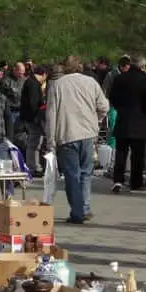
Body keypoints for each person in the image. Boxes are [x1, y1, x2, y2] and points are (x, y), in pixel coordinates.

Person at [45, 56, 109, 224]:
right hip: (88, 134)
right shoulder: (91, 82)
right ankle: (84, 207)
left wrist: (50, 142)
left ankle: (77, 211)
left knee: (72, 175)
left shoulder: (56, 85)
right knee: (86, 173)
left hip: (67, 135)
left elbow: (51, 115)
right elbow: (104, 106)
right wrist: (97, 121)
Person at [109, 55, 146, 194]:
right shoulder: (143, 80)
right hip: (140, 121)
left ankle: (118, 180)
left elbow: (113, 98)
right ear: (142, 66)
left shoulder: (119, 78)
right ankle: (136, 182)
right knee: (137, 155)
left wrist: (120, 109)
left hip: (123, 119)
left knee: (121, 152)